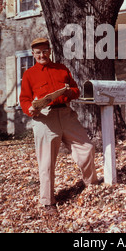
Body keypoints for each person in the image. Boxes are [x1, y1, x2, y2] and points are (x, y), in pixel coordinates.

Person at [19, 37, 98, 214]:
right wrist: (30, 108)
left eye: (45, 51)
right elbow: (24, 99)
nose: (42, 55)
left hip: (66, 114)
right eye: (38, 52)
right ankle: (48, 202)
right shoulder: (29, 74)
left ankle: (92, 185)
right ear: (33, 54)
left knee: (87, 147)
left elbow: (76, 90)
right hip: (45, 118)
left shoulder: (61, 69)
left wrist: (70, 92)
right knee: (46, 162)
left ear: (50, 51)